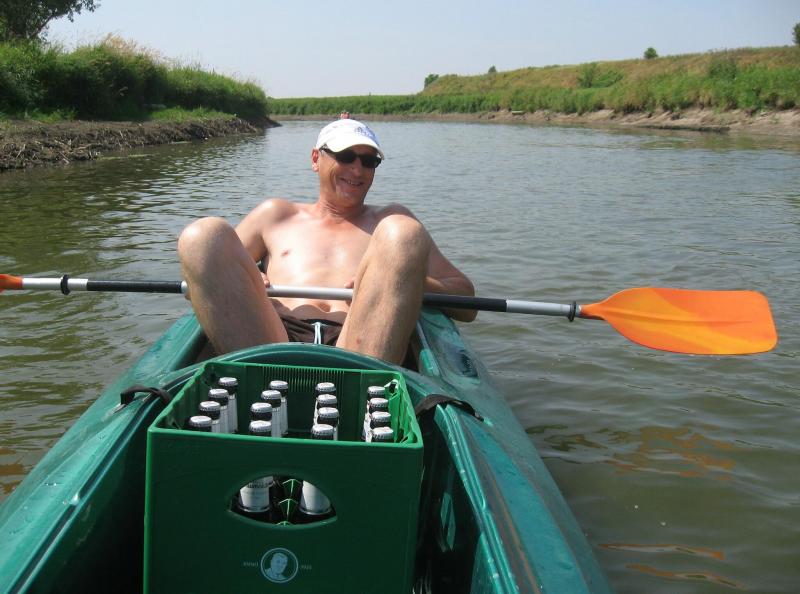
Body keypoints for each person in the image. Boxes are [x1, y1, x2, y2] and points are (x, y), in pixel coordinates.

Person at [178, 118, 475, 364]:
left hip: (362, 341)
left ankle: (362, 391)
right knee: (202, 236)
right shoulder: (275, 214)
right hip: (271, 337)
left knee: (404, 231)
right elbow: (204, 278)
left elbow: (467, 304)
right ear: (315, 159)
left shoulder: (390, 224)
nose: (357, 170)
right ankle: (258, 382)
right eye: (345, 156)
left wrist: (403, 279)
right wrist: (249, 279)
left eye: (369, 161)